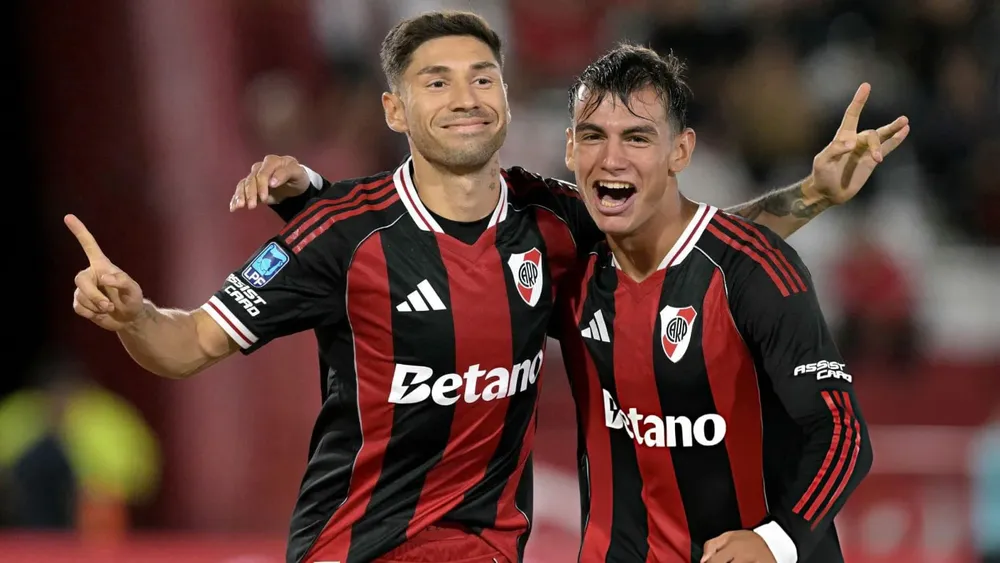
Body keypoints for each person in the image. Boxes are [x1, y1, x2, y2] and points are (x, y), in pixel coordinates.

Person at [68, 12, 904, 563]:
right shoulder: (340, 234)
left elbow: (691, 245)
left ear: (506, 99)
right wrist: (135, 314)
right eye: (436, 81)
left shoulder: (554, 221)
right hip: (356, 548)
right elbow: (188, 342)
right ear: (395, 110)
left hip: (485, 549)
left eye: (481, 77)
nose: (464, 97)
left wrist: (812, 195)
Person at [549, 45, 897, 562]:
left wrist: (775, 541)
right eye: (593, 136)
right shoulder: (566, 271)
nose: (611, 158)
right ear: (570, 148)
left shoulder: (755, 270)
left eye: (638, 137)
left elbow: (842, 434)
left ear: (680, 151)